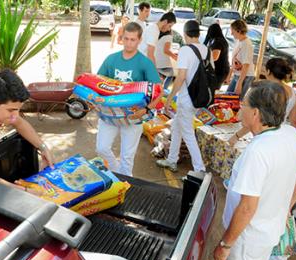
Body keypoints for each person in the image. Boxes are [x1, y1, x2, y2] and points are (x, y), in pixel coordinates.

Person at [213, 81, 296, 260]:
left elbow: (247, 207)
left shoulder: (258, 151)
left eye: (244, 103)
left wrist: (226, 244)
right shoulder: (292, 134)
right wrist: (285, 208)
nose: (240, 106)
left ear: (255, 113)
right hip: (270, 229)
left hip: (248, 237)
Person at [96, 22, 161, 177]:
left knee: (127, 157)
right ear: (122, 38)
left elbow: (158, 91)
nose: (129, 43)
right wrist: (95, 102)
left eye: (133, 39)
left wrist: (146, 110)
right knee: (101, 148)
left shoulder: (145, 62)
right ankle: (117, 173)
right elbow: (98, 84)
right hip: (110, 114)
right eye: (126, 39)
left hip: (133, 116)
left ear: (139, 40)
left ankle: (126, 183)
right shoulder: (111, 59)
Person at [156, 20, 211, 172]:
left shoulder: (186, 50)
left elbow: (180, 77)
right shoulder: (207, 50)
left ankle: (199, 170)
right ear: (198, 33)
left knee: (187, 133)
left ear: (186, 33)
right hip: (199, 98)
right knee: (177, 127)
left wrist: (169, 97)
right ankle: (172, 159)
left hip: (186, 99)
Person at [228, 57, 296, 147]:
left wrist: (236, 136)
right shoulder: (293, 93)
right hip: (280, 136)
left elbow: (254, 119)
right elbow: (294, 121)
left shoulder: (264, 91)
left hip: (264, 135)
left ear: (268, 71)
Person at [226, 19, 255, 100]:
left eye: (233, 31)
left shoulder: (246, 43)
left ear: (239, 31)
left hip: (245, 76)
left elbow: (246, 65)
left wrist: (239, 83)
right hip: (238, 75)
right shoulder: (239, 41)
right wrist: (230, 74)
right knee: (228, 97)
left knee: (235, 101)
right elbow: (235, 59)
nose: (231, 33)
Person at [203, 23, 230, 90]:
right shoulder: (215, 40)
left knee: (213, 90)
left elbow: (215, 57)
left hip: (219, 71)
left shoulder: (218, 42)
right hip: (219, 70)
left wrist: (203, 60)